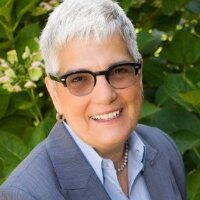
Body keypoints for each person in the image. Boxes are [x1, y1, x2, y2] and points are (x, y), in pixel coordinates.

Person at [0, 0, 186, 199]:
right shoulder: (24, 195)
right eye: (79, 79)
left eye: (119, 70)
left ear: (138, 76)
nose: (105, 95)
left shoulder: (163, 145)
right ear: (54, 93)